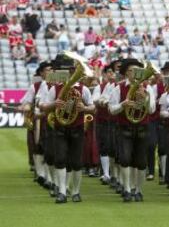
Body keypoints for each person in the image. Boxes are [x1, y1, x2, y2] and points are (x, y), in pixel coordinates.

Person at [40, 53, 95, 204]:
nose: (69, 72)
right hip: (60, 128)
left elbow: (93, 107)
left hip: (77, 128)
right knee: (60, 159)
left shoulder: (83, 89)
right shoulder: (55, 89)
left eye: (71, 70)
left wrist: (84, 107)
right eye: (66, 70)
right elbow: (43, 105)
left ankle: (76, 191)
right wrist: (53, 105)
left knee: (77, 162)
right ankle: (62, 191)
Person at [108, 59, 156, 202]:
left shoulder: (148, 88)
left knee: (141, 162)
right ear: (125, 73)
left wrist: (145, 99)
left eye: (137, 71)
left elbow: (152, 109)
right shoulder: (118, 88)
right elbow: (111, 109)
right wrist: (123, 104)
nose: (134, 74)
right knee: (125, 159)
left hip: (142, 127)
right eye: (130, 71)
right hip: (125, 127)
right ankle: (127, 188)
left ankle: (138, 189)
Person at [20, 61, 54, 186]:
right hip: (39, 120)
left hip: (53, 119)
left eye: (52, 70)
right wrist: (26, 107)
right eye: (47, 70)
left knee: (50, 148)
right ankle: (41, 174)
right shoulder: (35, 86)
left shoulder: (58, 85)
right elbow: (27, 101)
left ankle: (48, 177)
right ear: (41, 73)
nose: (50, 72)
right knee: (38, 147)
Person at [92, 63, 116, 185]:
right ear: (104, 74)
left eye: (113, 72)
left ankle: (113, 174)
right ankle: (106, 173)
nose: (111, 75)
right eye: (109, 72)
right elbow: (95, 100)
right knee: (104, 146)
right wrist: (103, 100)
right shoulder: (99, 87)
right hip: (103, 120)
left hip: (115, 120)